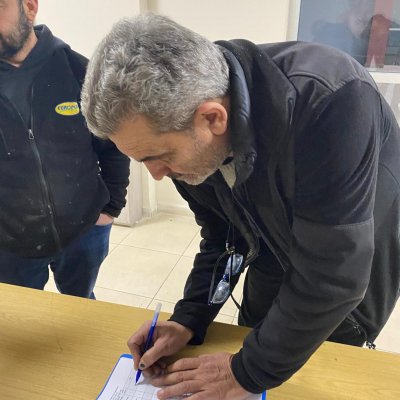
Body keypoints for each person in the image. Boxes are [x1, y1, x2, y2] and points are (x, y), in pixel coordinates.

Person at [81, 13, 400, 399]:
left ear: (212, 118)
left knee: (316, 378)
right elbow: (224, 236)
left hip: (350, 277)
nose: (157, 174)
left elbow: (334, 276)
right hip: (272, 252)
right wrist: (190, 316)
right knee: (254, 333)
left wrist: (247, 372)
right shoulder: (192, 123)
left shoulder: (331, 99)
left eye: (158, 156)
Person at [0, 0, 130, 298]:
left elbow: (114, 145)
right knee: (22, 317)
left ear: (29, 7)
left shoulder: (79, 71)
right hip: (9, 243)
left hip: (85, 230)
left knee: (80, 306)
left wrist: (110, 208)